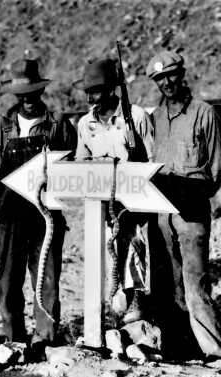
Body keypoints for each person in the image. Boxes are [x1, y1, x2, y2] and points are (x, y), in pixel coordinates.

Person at [0, 59, 77, 357]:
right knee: (8, 280)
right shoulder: (2, 125)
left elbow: (74, 163)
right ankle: (14, 338)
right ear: (16, 97)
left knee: (46, 278)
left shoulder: (58, 124)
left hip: (45, 214)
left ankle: (45, 339)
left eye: (33, 94)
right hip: (8, 214)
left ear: (40, 92)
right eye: (22, 96)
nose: (28, 100)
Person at [146, 50, 221, 360]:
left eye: (170, 75)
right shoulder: (155, 118)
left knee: (195, 283)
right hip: (161, 213)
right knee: (168, 284)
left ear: (182, 74)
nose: (166, 83)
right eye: (159, 79)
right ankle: (179, 348)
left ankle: (215, 353)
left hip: (191, 213)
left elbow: (218, 168)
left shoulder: (204, 113)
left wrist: (193, 193)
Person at [75, 58, 154, 324]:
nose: (90, 97)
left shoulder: (138, 117)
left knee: (133, 255)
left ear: (111, 89)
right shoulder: (86, 125)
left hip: (133, 207)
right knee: (105, 263)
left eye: (95, 90)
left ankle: (136, 311)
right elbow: (81, 164)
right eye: (87, 91)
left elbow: (153, 162)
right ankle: (108, 315)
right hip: (101, 208)